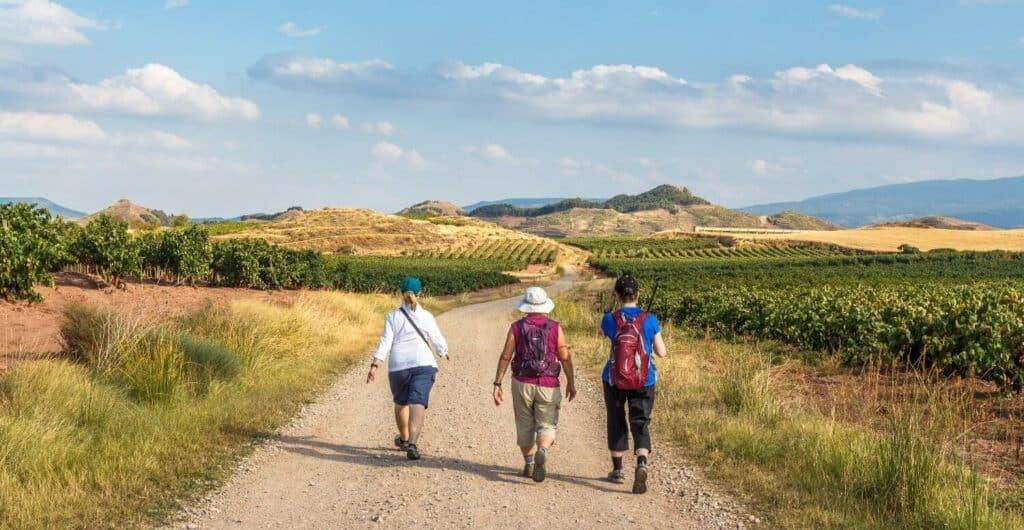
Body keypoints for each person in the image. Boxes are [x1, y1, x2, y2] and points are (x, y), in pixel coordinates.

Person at [492, 286, 577, 482]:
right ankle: (543, 449)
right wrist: (571, 382)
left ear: (526, 306)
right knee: (546, 424)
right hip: (548, 383)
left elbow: (506, 356)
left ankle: (529, 463)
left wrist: (497, 383)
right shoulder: (555, 327)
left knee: (524, 423)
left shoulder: (516, 327)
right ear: (545, 305)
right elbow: (564, 356)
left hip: (522, 382)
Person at [367, 277, 450, 461]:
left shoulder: (392, 316)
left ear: (400, 293)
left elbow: (385, 342)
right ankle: (412, 443)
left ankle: (404, 439)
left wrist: (375, 365)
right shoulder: (427, 316)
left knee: (401, 403)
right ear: (420, 294)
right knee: (417, 403)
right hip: (424, 364)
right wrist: (443, 352)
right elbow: (437, 338)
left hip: (399, 367)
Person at [601, 275, 667, 494]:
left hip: (614, 378)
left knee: (616, 420)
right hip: (644, 379)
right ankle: (641, 463)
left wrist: (609, 305)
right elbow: (661, 352)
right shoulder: (649, 319)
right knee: (640, 421)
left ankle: (618, 470)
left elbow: (600, 332)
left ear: (617, 296)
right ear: (637, 294)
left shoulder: (611, 319)